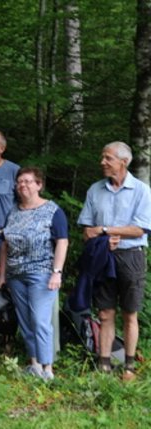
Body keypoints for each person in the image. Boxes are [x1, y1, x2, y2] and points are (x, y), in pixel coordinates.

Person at [77, 141, 151, 381]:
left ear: (123, 162)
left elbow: (140, 229)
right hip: (103, 257)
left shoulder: (141, 190)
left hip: (132, 256)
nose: (102, 162)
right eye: (102, 157)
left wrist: (105, 230)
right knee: (105, 313)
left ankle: (129, 367)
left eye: (107, 158)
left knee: (130, 313)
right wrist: (95, 235)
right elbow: (87, 230)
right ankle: (104, 364)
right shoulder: (94, 190)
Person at [0, 167, 69, 381]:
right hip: (16, 274)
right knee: (26, 320)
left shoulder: (52, 210)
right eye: (20, 182)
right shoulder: (14, 211)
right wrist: (2, 273)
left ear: (39, 185)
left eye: (28, 181)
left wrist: (57, 272)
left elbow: (62, 242)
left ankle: (48, 369)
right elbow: (4, 245)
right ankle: (34, 364)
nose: (23, 185)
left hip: (42, 273)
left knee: (40, 320)